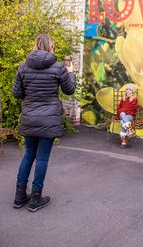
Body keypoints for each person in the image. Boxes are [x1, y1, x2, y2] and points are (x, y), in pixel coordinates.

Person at [12, 34, 76, 212]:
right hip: (49, 119)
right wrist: (71, 73)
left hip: (30, 117)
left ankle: (19, 197)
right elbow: (69, 90)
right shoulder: (58, 67)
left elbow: (17, 94)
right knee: (41, 158)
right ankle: (35, 199)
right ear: (51, 47)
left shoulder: (23, 68)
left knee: (28, 155)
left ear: (35, 45)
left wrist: (32, 95)